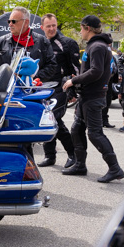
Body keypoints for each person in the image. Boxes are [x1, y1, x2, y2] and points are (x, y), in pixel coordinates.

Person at [61, 15, 124, 183]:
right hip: (87, 95)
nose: (80, 32)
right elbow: (101, 72)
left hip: (93, 97)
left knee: (95, 134)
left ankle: (115, 168)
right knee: (76, 129)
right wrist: (80, 80)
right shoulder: (98, 46)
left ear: (87, 28)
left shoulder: (97, 46)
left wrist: (74, 81)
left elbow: (96, 71)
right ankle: (80, 165)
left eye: (81, 28)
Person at [36, 12, 79, 167]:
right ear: (42, 27)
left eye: (54, 25)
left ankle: (73, 154)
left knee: (55, 119)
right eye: (48, 26)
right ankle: (50, 156)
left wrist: (73, 91)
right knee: (45, 121)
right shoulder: (39, 43)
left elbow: (75, 69)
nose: (52, 28)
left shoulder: (67, 43)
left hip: (60, 87)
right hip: (41, 88)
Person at [0, 6, 55, 79]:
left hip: (35, 88)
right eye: (9, 21)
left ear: (26, 23)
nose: (10, 24)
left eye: (14, 21)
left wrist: (33, 75)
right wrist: (6, 78)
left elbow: (52, 66)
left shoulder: (43, 41)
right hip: (6, 88)